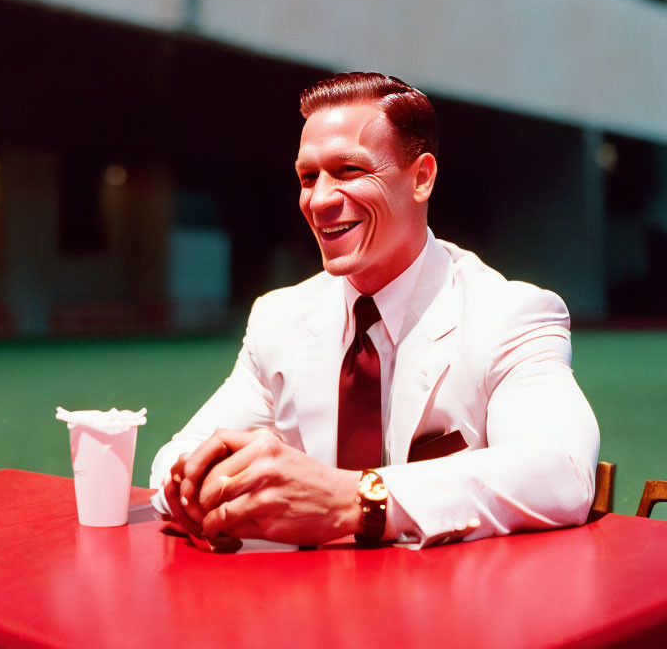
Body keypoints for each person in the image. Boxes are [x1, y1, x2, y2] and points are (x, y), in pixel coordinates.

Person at [150, 72, 600, 549]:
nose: (319, 200)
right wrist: (214, 493)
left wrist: (352, 500)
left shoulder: (509, 314)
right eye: (307, 177)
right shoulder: (277, 318)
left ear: (422, 178)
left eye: (349, 171)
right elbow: (172, 463)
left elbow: (562, 471)